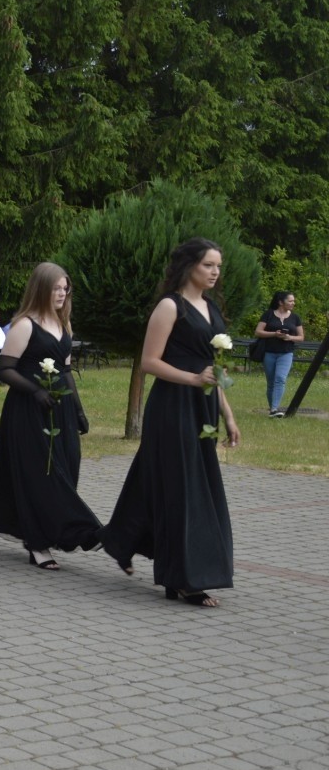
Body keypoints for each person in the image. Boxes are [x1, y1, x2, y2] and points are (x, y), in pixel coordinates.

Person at [99, 238, 238, 607]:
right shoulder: (169, 306)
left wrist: (228, 413)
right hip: (173, 406)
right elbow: (149, 362)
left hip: (202, 407)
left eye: (218, 267)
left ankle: (122, 539)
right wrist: (193, 379)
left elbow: (213, 368)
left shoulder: (211, 307)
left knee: (171, 481)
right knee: (183, 489)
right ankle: (182, 580)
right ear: (190, 265)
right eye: (209, 265)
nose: (215, 272)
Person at [0, 263, 103, 569]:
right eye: (57, 288)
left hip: (58, 409)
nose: (62, 293)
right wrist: (34, 391)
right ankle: (40, 542)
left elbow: (65, 370)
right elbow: (5, 369)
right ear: (42, 289)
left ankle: (56, 530)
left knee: (67, 466)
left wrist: (77, 408)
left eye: (66, 288)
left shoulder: (64, 324)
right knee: (41, 474)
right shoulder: (25, 324)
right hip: (28, 412)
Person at [255, 291, 304, 416]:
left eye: (293, 301)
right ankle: (273, 409)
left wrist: (289, 337)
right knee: (271, 383)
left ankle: (274, 409)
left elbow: (301, 337)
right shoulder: (268, 315)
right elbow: (258, 332)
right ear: (281, 302)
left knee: (280, 379)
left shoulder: (295, 317)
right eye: (290, 301)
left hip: (286, 353)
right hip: (269, 353)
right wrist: (274, 334)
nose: (293, 303)